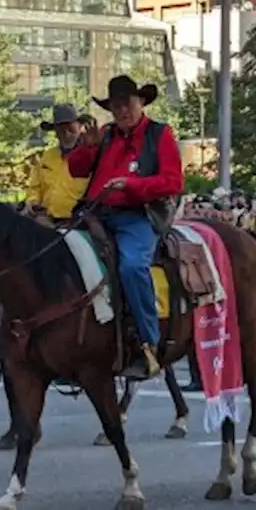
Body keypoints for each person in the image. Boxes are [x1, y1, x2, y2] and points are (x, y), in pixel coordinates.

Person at [68, 75, 184, 379]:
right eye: (116, 106)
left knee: (132, 266)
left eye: (127, 104)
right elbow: (77, 169)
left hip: (138, 215)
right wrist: (87, 148)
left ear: (140, 102)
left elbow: (173, 183)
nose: (122, 111)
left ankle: (149, 342)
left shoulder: (160, 135)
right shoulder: (104, 135)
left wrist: (132, 186)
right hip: (95, 214)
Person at [25, 103, 90, 220]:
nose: (66, 133)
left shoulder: (91, 156)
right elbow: (35, 187)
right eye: (61, 129)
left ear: (80, 126)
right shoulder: (48, 156)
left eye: (70, 128)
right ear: (55, 132)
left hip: (77, 223)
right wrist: (32, 201)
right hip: (45, 219)